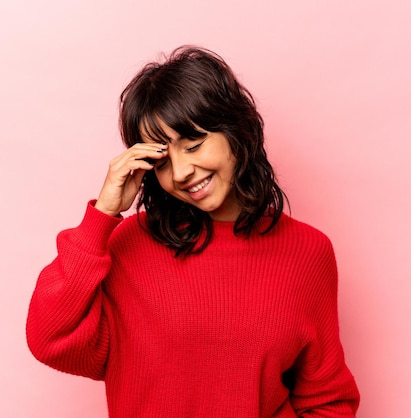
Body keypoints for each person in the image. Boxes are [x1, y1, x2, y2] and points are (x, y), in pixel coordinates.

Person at [26, 46, 360, 417]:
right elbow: (51, 338)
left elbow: (328, 401)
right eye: (163, 160)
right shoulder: (130, 245)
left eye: (194, 144)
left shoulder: (307, 253)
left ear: (236, 130)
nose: (182, 171)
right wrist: (103, 214)